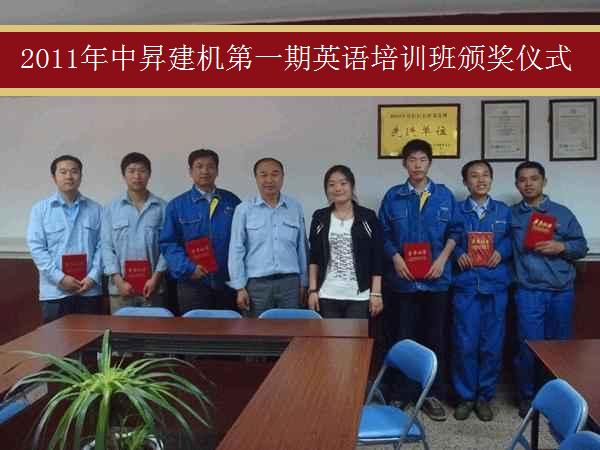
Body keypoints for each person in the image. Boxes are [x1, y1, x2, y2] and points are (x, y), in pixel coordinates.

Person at [378, 139, 459, 421]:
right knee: (403, 338)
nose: (417, 165)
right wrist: (396, 259)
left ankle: (432, 394)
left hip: (436, 281)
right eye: (412, 160)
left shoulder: (444, 195)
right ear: (404, 164)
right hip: (404, 282)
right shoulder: (393, 196)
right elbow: (383, 233)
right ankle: (401, 392)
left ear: (430, 163)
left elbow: (456, 231)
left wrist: (443, 259)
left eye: (422, 159)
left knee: (435, 337)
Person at [511, 161, 588, 418]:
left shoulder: (562, 213)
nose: (528, 183)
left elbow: (581, 246)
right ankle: (528, 397)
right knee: (528, 347)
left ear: (544, 181)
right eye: (523, 179)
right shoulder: (511, 215)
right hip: (528, 290)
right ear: (517, 185)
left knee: (559, 348)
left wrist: (561, 247)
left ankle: (557, 398)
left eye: (534, 178)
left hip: (560, 291)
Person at [451, 160, 512, 422]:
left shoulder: (504, 211)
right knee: (464, 344)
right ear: (465, 182)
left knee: (492, 346)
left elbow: (513, 239)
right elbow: (445, 237)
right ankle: (465, 397)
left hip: (495, 286)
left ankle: (484, 397)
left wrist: (502, 251)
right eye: (474, 176)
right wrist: (457, 252)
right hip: (466, 287)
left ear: (491, 179)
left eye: (485, 175)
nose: (481, 180)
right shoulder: (456, 210)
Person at [160, 149, 241, 315]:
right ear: (190, 171)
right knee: (195, 329)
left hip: (227, 282)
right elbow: (168, 244)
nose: (205, 171)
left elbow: (242, 240)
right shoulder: (177, 205)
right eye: (199, 166)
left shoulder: (231, 201)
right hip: (192, 283)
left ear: (217, 171)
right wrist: (189, 268)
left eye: (210, 166)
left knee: (228, 329)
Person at [27, 155, 103, 323]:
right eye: (63, 172)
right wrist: (60, 278)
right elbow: (37, 248)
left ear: (81, 176)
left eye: (74, 171)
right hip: (55, 292)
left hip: (89, 290)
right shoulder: (40, 210)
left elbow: (102, 246)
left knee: (91, 338)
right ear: (54, 177)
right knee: (56, 339)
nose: (69, 176)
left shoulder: (96, 209)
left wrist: (92, 277)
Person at [228, 158, 308, 317]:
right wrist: (240, 288)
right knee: (257, 330)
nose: (269, 180)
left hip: (290, 284)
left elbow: (302, 248)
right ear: (256, 178)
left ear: (283, 177)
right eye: (263, 175)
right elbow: (236, 250)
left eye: (275, 174)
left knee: (291, 329)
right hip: (256, 285)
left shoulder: (295, 207)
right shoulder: (244, 209)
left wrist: (304, 283)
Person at [307, 165, 383, 319]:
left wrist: (376, 293)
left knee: (356, 336)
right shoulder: (320, 217)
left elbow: (377, 258)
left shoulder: (367, 217)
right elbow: (314, 257)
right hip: (327, 294)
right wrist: (313, 290)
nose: (338, 188)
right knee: (328, 335)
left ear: (352, 186)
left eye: (343, 183)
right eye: (332, 184)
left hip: (359, 295)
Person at [101, 152, 167, 314]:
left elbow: (167, 247)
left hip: (153, 287)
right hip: (120, 289)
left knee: (154, 330)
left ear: (149, 174)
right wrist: (118, 281)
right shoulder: (111, 209)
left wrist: (156, 278)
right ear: (123, 175)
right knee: (121, 330)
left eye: (142, 171)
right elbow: (106, 247)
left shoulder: (162, 207)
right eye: (131, 171)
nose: (137, 176)